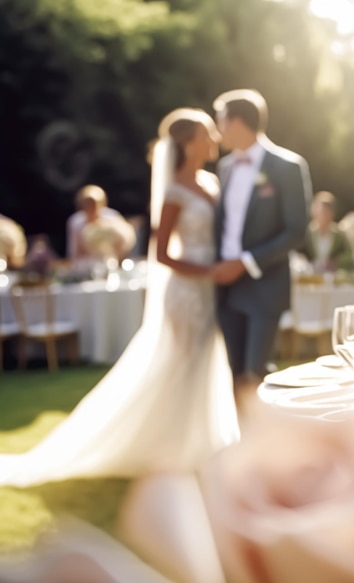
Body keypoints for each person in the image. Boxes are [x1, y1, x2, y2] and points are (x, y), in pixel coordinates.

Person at [0, 107, 239, 485]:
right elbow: (161, 254)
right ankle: (167, 449)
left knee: (207, 360)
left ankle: (202, 447)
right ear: (189, 143)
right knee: (180, 363)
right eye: (208, 132)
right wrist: (209, 271)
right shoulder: (174, 191)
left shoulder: (211, 183)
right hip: (188, 290)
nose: (214, 139)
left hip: (214, 289)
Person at [211, 89, 312, 413]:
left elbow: (297, 231)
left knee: (255, 375)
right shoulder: (225, 168)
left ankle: (263, 452)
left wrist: (245, 263)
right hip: (225, 287)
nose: (217, 129)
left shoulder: (287, 166)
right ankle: (243, 449)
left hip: (264, 284)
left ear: (238, 122)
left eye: (221, 121)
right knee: (234, 373)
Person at [302, 191, 354, 274]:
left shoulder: (340, 235)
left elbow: (350, 257)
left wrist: (335, 263)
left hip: (333, 278)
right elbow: (298, 256)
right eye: (321, 212)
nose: (324, 215)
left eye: (327, 211)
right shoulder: (307, 234)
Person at [66, 185, 127, 260]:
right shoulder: (75, 222)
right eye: (87, 203)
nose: (91, 206)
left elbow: (125, 241)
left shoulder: (112, 218)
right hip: (85, 264)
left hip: (109, 261)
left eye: (93, 203)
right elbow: (73, 251)